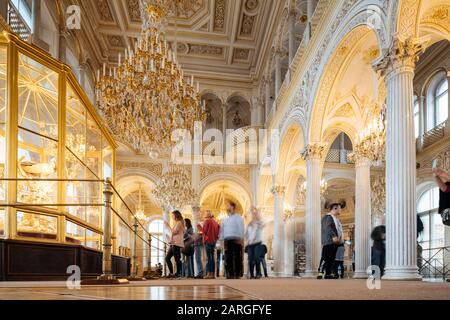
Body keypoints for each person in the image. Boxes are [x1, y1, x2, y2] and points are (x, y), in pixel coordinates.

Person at [318, 202, 344, 279]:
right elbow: (328, 227)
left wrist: (340, 239)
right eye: (340, 208)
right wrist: (334, 236)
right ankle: (320, 272)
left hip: (335, 242)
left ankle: (328, 273)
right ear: (335, 208)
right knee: (325, 257)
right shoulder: (328, 217)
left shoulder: (335, 219)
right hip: (329, 241)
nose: (341, 210)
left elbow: (338, 229)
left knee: (331, 259)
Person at [219, 201, 245, 279]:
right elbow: (222, 230)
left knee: (237, 257)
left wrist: (241, 238)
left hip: (236, 239)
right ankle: (230, 274)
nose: (227, 207)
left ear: (233, 207)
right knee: (228, 257)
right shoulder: (224, 219)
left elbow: (241, 228)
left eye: (228, 205)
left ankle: (237, 273)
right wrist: (221, 240)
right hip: (227, 240)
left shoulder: (238, 217)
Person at [164, 210, 185, 278]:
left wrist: (168, 226)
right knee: (167, 258)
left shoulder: (179, 223)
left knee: (177, 259)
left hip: (177, 243)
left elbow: (174, 232)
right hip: (173, 243)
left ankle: (178, 273)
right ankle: (171, 273)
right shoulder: (177, 223)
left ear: (176, 215)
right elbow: (173, 233)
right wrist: (170, 240)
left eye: (172, 215)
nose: (172, 217)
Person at [245, 207, 264, 279]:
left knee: (256, 258)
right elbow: (246, 234)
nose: (253, 215)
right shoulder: (249, 224)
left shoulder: (260, 223)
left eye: (255, 214)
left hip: (257, 242)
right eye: (252, 214)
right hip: (250, 244)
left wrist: (256, 211)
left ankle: (258, 273)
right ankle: (252, 274)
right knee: (250, 259)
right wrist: (246, 240)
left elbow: (263, 223)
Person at [202, 210, 220, 279]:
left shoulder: (207, 221)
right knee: (212, 258)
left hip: (208, 240)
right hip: (213, 241)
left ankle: (209, 274)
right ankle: (212, 274)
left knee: (209, 258)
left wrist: (200, 227)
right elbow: (218, 233)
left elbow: (204, 231)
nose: (204, 215)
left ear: (208, 215)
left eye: (205, 214)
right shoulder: (215, 222)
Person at [193, 212, 205, 279]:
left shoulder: (202, 223)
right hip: (197, 242)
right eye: (197, 214)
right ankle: (200, 272)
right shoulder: (196, 223)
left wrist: (198, 233)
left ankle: (201, 273)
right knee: (198, 258)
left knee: (200, 258)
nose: (197, 215)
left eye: (199, 214)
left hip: (200, 242)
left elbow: (202, 232)